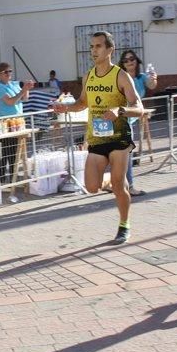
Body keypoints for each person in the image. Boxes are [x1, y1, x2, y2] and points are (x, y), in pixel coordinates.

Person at [53, 32, 144, 244]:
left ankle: (124, 225)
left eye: (98, 46)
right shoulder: (88, 76)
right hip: (97, 138)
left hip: (119, 138)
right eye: (92, 47)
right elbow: (82, 103)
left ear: (110, 50)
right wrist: (65, 108)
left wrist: (119, 110)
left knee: (120, 187)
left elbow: (138, 108)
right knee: (91, 187)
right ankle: (109, 180)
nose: (93, 51)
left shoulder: (121, 76)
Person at [119, 50, 157, 196]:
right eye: (126, 60)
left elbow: (152, 85)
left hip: (130, 118)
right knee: (126, 152)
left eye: (132, 59)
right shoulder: (122, 78)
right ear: (122, 64)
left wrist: (154, 79)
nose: (129, 62)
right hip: (121, 118)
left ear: (137, 61)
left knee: (122, 153)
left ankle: (117, 183)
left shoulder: (141, 77)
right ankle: (129, 186)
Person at [0, 62, 34, 184]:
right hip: (5, 123)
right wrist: (23, 90)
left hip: (17, 122)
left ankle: (12, 179)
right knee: (4, 153)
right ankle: (1, 179)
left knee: (14, 152)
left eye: (10, 71)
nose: (8, 74)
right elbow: (10, 102)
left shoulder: (14, 84)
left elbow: (24, 98)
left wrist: (26, 89)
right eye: (5, 72)